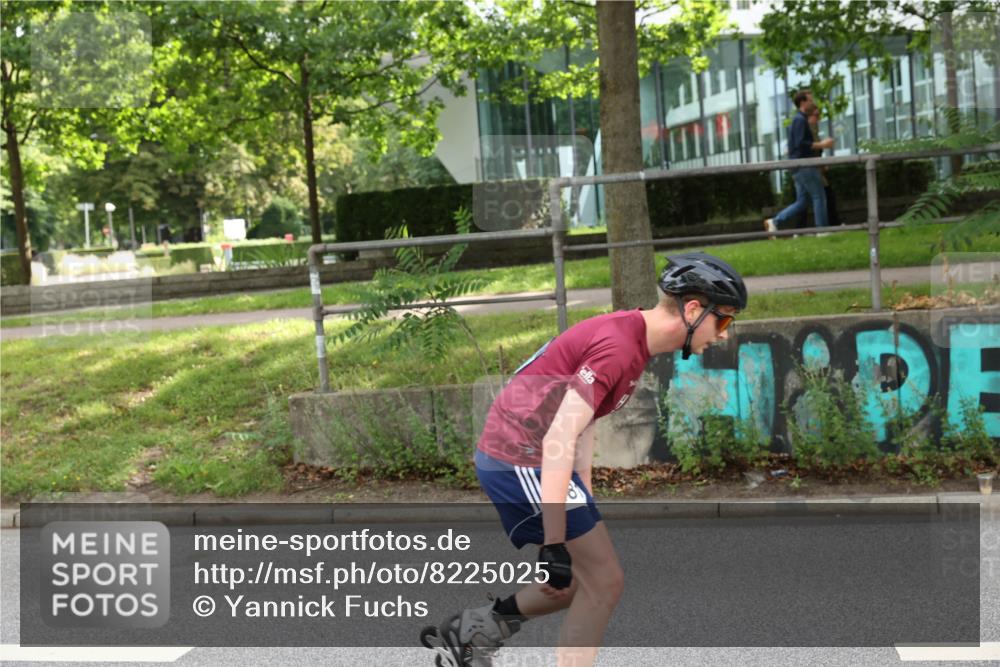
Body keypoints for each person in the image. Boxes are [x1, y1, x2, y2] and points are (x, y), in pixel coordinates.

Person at [421, 253, 748, 667]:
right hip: (518, 455)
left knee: (578, 581)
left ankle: (474, 632)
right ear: (693, 310)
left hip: (535, 453)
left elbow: (583, 424)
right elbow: (559, 435)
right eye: (723, 320)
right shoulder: (619, 348)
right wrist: (554, 542)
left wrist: (585, 497)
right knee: (604, 582)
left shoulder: (634, 338)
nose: (724, 333)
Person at [764, 89, 834, 236]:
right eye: (810, 100)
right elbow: (801, 143)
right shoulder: (800, 120)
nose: (813, 103)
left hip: (797, 166)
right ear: (802, 102)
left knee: (802, 201)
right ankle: (821, 230)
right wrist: (822, 144)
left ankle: (775, 222)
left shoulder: (799, 119)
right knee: (819, 196)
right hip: (803, 165)